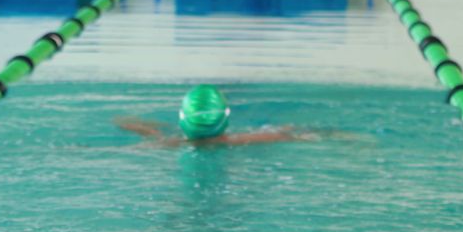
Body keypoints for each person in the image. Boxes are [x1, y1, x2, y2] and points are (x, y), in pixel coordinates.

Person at [116, 85, 323, 148]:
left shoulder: (162, 144)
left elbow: (123, 121)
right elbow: (301, 132)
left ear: (183, 117)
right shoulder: (255, 138)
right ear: (225, 117)